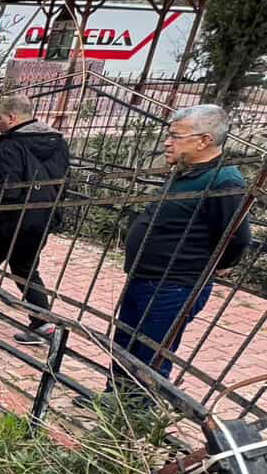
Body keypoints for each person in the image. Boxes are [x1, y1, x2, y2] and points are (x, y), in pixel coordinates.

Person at [107, 104, 251, 398]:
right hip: (144, 277)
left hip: (175, 284)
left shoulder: (225, 181)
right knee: (124, 342)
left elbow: (237, 237)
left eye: (175, 136)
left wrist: (218, 264)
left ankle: (134, 415)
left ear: (204, 141)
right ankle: (113, 397)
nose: (167, 142)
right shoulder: (187, 172)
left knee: (151, 352)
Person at [0, 93, 71, 343]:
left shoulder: (10, 145)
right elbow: (63, 183)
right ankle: (42, 324)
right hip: (40, 218)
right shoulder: (58, 143)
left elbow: (2, 191)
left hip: (8, 220)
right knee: (25, 268)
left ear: (12, 117)